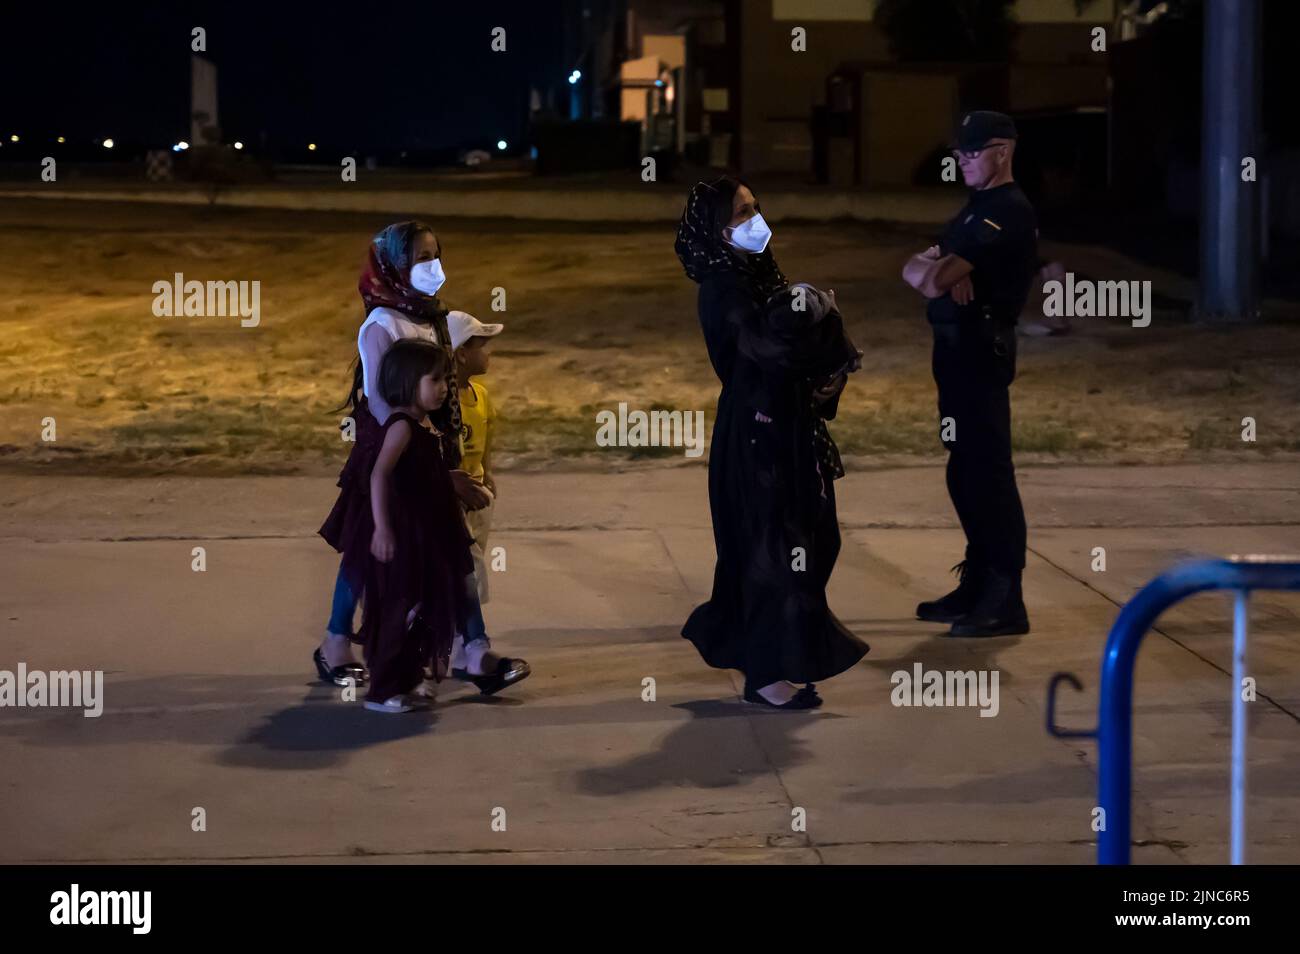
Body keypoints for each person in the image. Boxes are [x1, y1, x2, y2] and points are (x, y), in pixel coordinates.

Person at [674, 176, 870, 710]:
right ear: (715, 228)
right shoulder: (721, 287)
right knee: (772, 553)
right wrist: (818, 323)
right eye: (740, 213)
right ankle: (765, 672)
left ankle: (773, 651)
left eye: (756, 206)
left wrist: (829, 370)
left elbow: (811, 342)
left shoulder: (761, 275)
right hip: (758, 434)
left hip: (792, 424)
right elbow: (765, 351)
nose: (755, 218)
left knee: (814, 542)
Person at [315, 221, 528, 693]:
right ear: (393, 265)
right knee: (363, 552)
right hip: (395, 452)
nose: (433, 268)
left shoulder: (431, 317)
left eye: (436, 255)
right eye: (420, 259)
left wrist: (448, 454)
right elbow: (380, 400)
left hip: (431, 448)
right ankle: (335, 643)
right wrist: (432, 465)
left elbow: (443, 389)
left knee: (455, 553)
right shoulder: (381, 324)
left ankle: (475, 650)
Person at [902, 110, 1038, 637]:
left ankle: (1006, 597)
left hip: (982, 354)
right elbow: (922, 268)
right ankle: (979, 582)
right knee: (964, 472)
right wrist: (935, 268)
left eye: (972, 153)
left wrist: (938, 271)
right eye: (958, 154)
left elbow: (935, 278)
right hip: (956, 356)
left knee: (989, 475)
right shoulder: (977, 208)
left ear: (1002, 152)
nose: (962, 161)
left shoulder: (1006, 210)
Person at [321, 339, 473, 712]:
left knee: (423, 608)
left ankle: (411, 676)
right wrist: (383, 529)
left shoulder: (421, 428)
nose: (443, 388)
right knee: (399, 609)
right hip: (404, 534)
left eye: (445, 380)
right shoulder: (402, 428)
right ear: (407, 382)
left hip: (426, 533)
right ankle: (384, 689)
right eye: (434, 380)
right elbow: (379, 475)